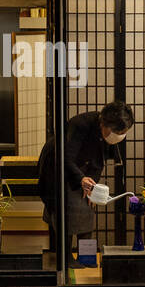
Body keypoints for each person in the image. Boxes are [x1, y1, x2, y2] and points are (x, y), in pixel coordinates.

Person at [37, 100, 135, 268]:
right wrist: (81, 179)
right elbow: (65, 158)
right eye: (117, 131)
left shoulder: (106, 133)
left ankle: (85, 256)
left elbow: (98, 163)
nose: (119, 135)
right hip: (57, 165)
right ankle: (66, 257)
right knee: (66, 209)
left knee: (88, 208)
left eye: (123, 132)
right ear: (104, 123)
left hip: (81, 168)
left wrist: (93, 187)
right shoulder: (81, 125)